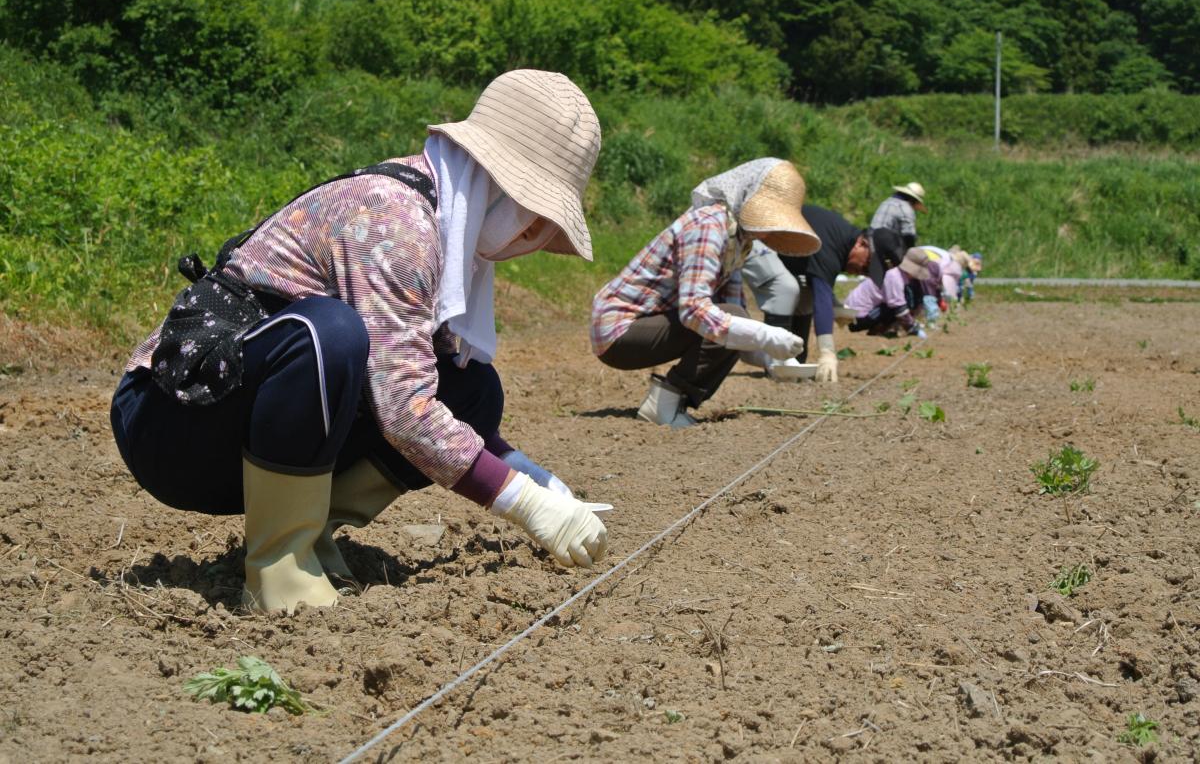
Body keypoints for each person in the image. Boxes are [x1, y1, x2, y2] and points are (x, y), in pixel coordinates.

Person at [109, 70, 609, 614]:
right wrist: (523, 502)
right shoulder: (397, 221)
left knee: (472, 389)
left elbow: (418, 387)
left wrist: (541, 484)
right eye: (536, 216)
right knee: (328, 335)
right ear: (498, 184)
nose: (534, 237)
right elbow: (404, 409)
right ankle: (280, 561)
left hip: (245, 425)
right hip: (171, 425)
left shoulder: (444, 229)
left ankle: (312, 527)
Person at [590, 158, 821, 427]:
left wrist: (770, 356)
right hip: (618, 331)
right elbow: (694, 310)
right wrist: (764, 334)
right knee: (732, 320)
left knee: (735, 319)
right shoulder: (709, 226)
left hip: (646, 326)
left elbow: (732, 316)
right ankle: (665, 402)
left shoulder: (738, 241)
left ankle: (670, 402)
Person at [741, 208, 905, 382]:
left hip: (777, 250)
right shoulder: (831, 246)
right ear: (861, 244)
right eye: (867, 267)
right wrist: (827, 352)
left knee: (804, 297)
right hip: (754, 238)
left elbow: (818, 289)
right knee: (785, 289)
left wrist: (836, 306)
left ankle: (795, 362)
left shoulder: (841, 243)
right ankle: (776, 363)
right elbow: (822, 293)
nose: (863, 273)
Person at [844, 247, 932, 338]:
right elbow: (899, 308)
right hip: (856, 319)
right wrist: (912, 328)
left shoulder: (896, 274)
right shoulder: (895, 277)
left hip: (855, 314)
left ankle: (881, 329)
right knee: (897, 306)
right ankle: (877, 330)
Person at [870, 182, 927, 250]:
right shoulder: (906, 209)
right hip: (883, 246)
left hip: (870, 239)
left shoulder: (887, 201)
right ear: (913, 200)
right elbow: (909, 237)